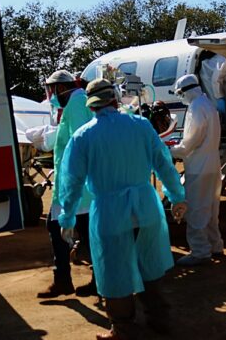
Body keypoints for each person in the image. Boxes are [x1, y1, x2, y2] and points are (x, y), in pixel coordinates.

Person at [57, 78, 188, 340]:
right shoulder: (140, 126)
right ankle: (160, 321)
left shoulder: (83, 136)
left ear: (91, 106)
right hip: (146, 208)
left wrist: (68, 217)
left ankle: (123, 329)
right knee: (149, 267)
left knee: (115, 271)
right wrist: (177, 197)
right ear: (116, 99)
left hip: (110, 213)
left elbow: (71, 183)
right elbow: (163, 163)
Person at [37, 70, 97, 298]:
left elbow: (79, 143)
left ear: (61, 88)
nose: (51, 95)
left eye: (52, 90)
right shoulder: (77, 101)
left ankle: (77, 280)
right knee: (75, 231)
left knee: (75, 231)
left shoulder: (77, 103)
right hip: (74, 184)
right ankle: (71, 279)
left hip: (77, 186)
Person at [170, 74, 224, 266]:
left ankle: (200, 251)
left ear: (186, 91)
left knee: (196, 210)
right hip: (213, 165)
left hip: (199, 167)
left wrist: (170, 149)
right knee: (211, 208)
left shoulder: (195, 108)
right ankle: (215, 245)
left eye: (180, 94)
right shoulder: (208, 104)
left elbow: (190, 143)